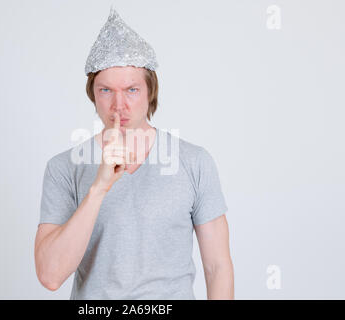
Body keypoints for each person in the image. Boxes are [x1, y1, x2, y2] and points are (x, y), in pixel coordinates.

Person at [34, 6, 234, 300]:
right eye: (105, 90)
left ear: (150, 91)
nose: (119, 105)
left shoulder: (194, 162)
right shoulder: (63, 168)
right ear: (93, 93)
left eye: (131, 90)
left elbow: (217, 267)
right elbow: (50, 276)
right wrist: (99, 189)